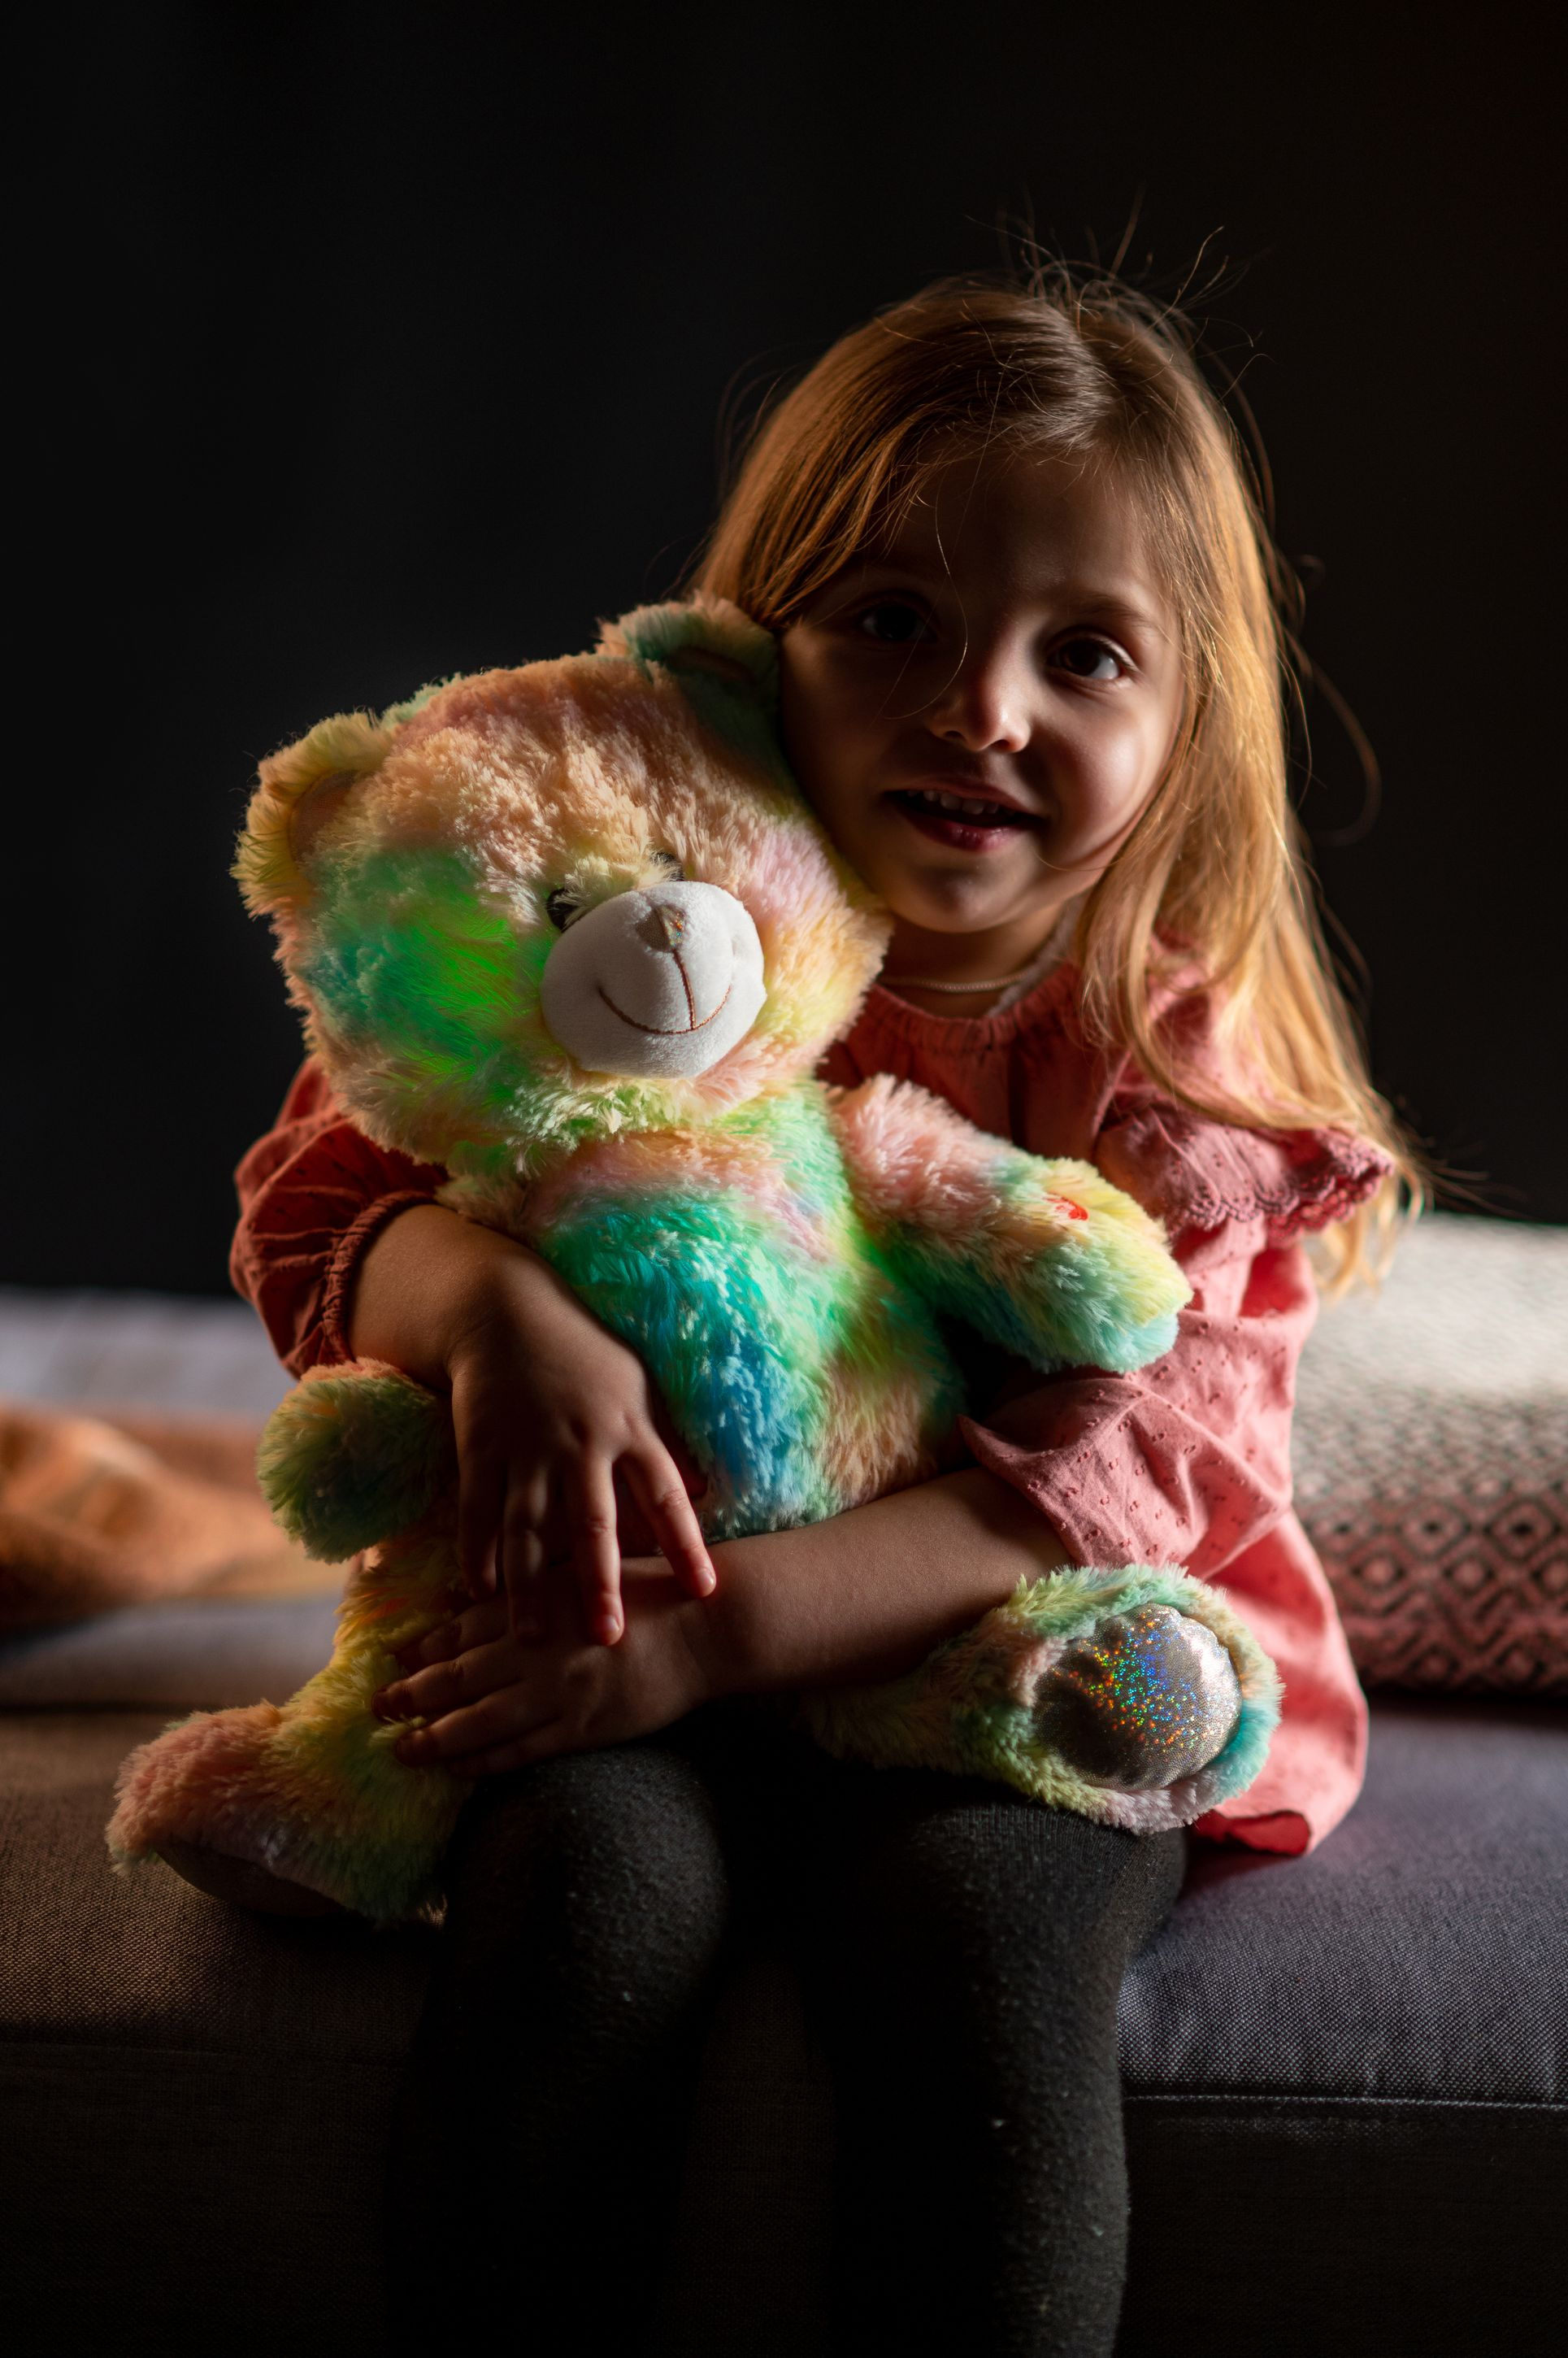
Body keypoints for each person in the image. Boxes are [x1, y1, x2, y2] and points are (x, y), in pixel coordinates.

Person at [230, 271, 1415, 2356]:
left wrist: (704, 1644)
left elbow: (1112, 1479)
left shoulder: (1169, 1064)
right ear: (748, 643)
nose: (980, 709)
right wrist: (492, 1313)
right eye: (891, 619)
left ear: (1186, 722)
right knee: (578, 1900)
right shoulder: (640, 928)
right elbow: (328, 1191)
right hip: (635, 1625)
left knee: (967, 1938)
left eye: (1082, 652)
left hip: (1020, 1660)